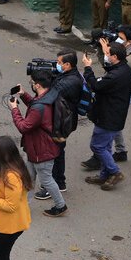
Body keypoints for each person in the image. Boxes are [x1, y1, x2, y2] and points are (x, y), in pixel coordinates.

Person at [8, 70, 67, 217]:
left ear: (38, 85)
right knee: (28, 177)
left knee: (47, 180)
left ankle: (61, 205)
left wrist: (15, 109)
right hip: (37, 148)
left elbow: (24, 126)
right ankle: (23, 206)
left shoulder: (40, 106)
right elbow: (35, 106)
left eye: (32, 83)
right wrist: (23, 94)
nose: (32, 85)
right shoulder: (49, 95)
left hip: (41, 150)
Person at [81, 27, 131, 170]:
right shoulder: (120, 61)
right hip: (113, 96)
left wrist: (89, 68)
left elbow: (100, 79)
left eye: (121, 38)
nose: (117, 39)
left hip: (115, 100)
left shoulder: (130, 59)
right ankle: (114, 159)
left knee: (103, 136)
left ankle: (109, 167)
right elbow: (109, 65)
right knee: (111, 131)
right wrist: (103, 50)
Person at [82, 42, 131, 191]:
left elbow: (95, 85)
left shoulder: (115, 75)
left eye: (108, 54)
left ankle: (115, 172)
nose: (107, 55)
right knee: (106, 147)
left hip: (107, 116)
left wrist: (88, 68)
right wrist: (105, 53)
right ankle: (105, 174)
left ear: (115, 56)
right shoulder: (124, 69)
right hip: (114, 115)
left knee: (97, 146)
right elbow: (110, 70)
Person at [34, 50, 82, 200]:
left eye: (60, 63)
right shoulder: (67, 75)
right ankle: (60, 182)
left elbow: (48, 96)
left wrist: (39, 82)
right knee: (58, 152)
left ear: (68, 64)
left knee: (53, 153)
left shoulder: (71, 81)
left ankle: (52, 186)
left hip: (61, 123)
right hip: (61, 119)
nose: (57, 65)